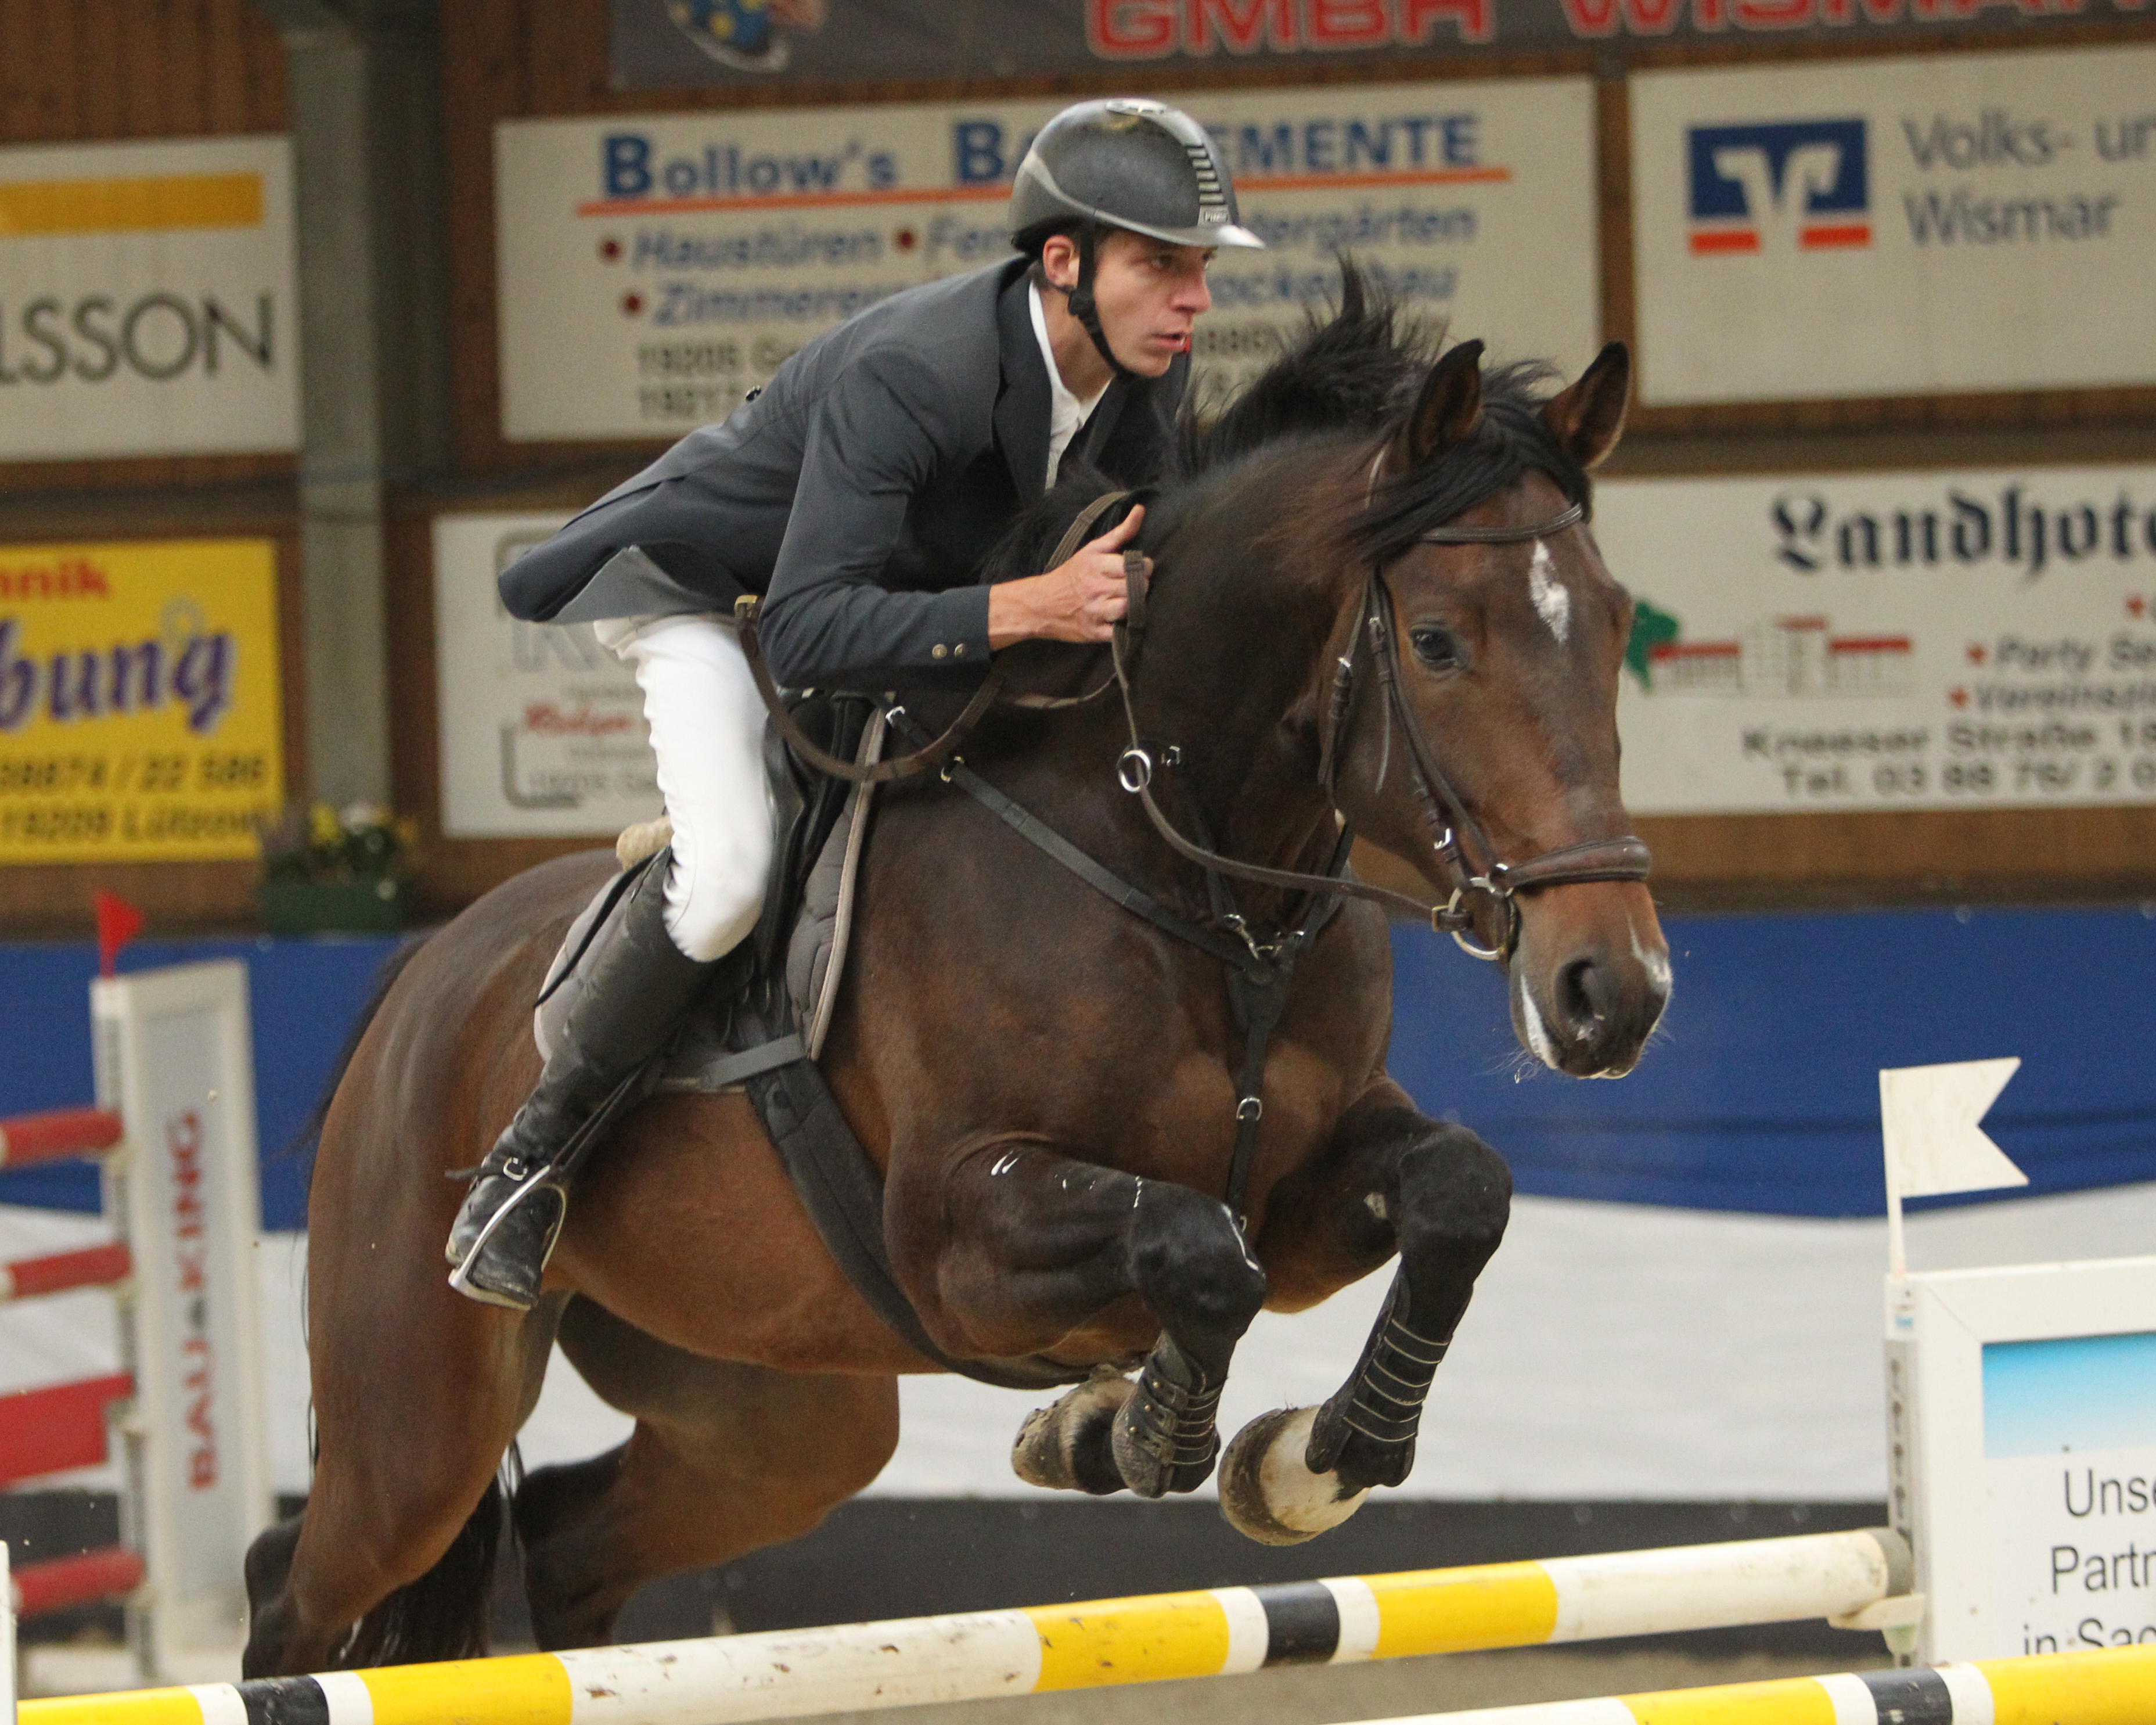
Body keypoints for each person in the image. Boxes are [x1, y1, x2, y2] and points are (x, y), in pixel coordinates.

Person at [446, 97, 1265, 1310]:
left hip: (895, 610)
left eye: (1200, 270)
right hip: (718, 599)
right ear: (1063, 263)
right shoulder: (915, 373)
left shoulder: (1145, 375)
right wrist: (1029, 611)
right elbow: (813, 625)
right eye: (1161, 266)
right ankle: (527, 1164)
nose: (1192, 298)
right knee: (730, 873)